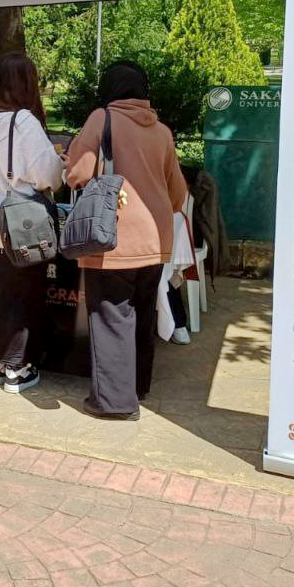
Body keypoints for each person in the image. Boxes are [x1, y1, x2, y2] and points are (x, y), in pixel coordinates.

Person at [65, 60, 187, 418]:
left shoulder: (101, 119)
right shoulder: (161, 131)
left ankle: (115, 403)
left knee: (111, 317)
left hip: (112, 237)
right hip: (155, 239)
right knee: (142, 314)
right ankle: (137, 388)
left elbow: (78, 174)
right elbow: (178, 194)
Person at [0, 54, 64, 393]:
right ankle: (17, 369)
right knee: (23, 297)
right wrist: (58, 159)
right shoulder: (24, 122)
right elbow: (46, 176)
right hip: (19, 224)